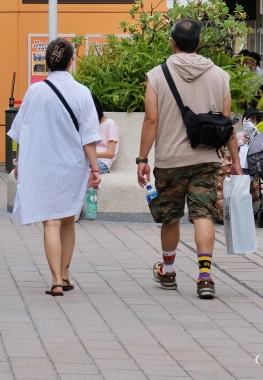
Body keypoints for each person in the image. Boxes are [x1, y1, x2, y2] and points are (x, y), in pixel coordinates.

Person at [138, 19, 242, 300]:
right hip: (206, 158)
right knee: (203, 215)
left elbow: (151, 120)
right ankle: (205, 276)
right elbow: (227, 123)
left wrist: (142, 158)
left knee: (170, 217)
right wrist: (235, 160)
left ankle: (169, 271)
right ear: (198, 43)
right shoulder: (220, 76)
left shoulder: (157, 75)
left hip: (169, 159)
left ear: (172, 42)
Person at [10, 39, 101, 295]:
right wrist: (95, 169)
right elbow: (89, 136)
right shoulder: (82, 92)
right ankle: (66, 273)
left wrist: (19, 161)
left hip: (42, 165)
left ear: (47, 62)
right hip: (72, 165)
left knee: (51, 223)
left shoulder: (35, 91)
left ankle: (55, 282)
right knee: (68, 220)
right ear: (71, 62)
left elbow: (21, 131)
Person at [91, 93, 119, 173]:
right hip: (90, 159)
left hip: (102, 163)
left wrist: (90, 155)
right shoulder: (91, 124)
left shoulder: (110, 124)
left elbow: (110, 153)